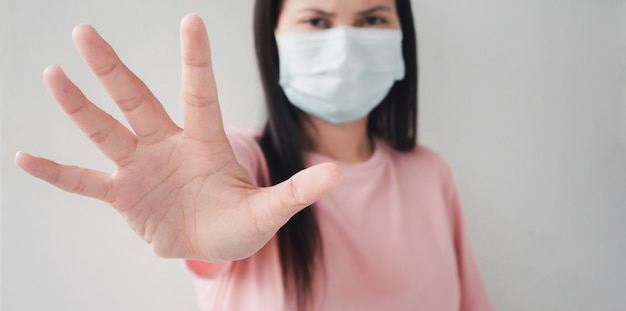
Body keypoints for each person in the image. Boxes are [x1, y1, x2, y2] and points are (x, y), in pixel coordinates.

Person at [15, 0, 493, 310]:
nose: (344, 42)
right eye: (317, 20)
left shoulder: (432, 175)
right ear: (274, 41)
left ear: (401, 36)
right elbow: (214, 203)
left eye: (372, 20)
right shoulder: (241, 168)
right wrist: (196, 229)